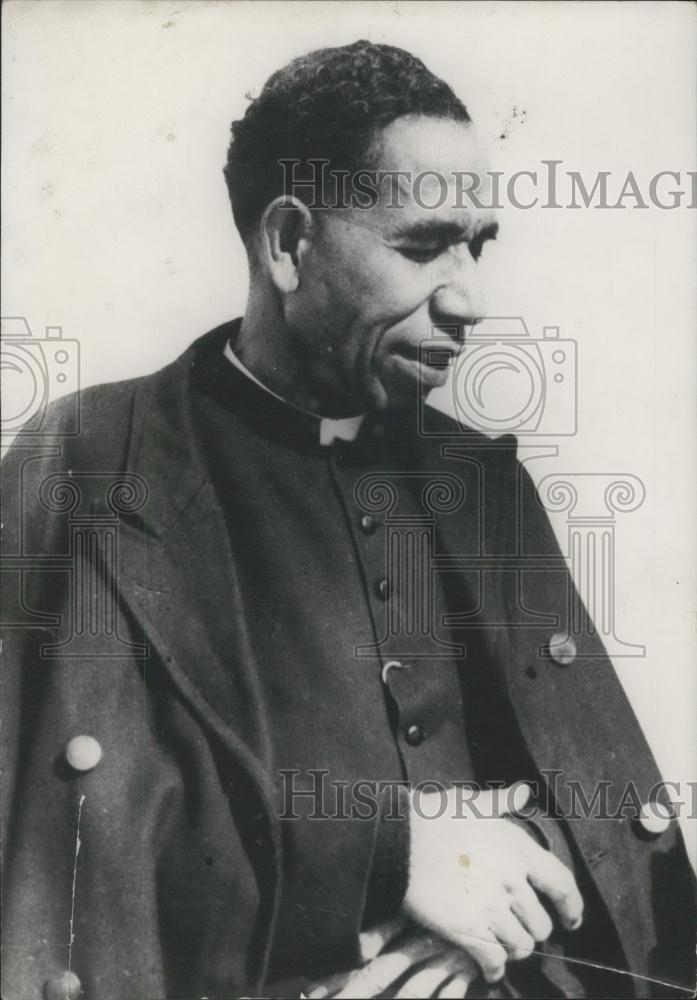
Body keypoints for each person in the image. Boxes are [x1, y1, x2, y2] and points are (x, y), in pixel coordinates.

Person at [1, 40, 694, 1000]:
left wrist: (505, 870)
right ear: (288, 245)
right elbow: (60, 838)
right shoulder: (85, 460)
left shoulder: (478, 481)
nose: (470, 301)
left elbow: (596, 802)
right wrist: (390, 854)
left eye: (477, 246)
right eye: (421, 247)